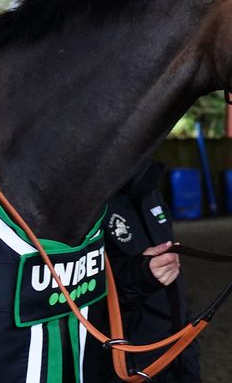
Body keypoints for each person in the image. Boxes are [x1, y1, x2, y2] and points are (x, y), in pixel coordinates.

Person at [86, 159, 201, 382]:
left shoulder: (150, 189)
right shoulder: (88, 199)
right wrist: (141, 275)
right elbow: (79, 290)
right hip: (131, 366)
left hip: (181, 354)